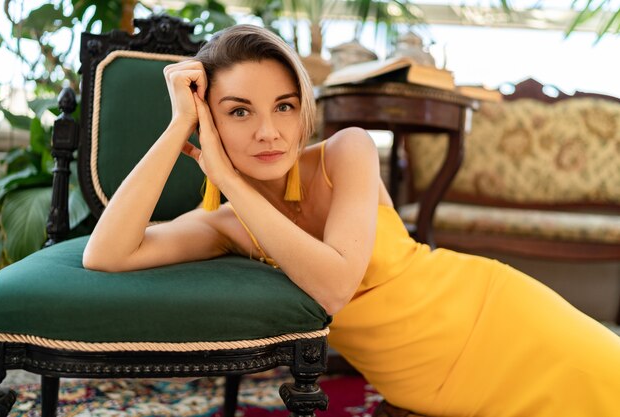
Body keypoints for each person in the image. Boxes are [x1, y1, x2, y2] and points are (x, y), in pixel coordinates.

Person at [83, 24, 620, 417]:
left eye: (285, 106)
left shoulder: (348, 151)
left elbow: (335, 285)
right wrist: (179, 125)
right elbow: (105, 254)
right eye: (240, 111)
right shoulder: (224, 226)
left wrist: (231, 178)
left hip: (499, 314)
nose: (269, 131)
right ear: (211, 120)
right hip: (423, 384)